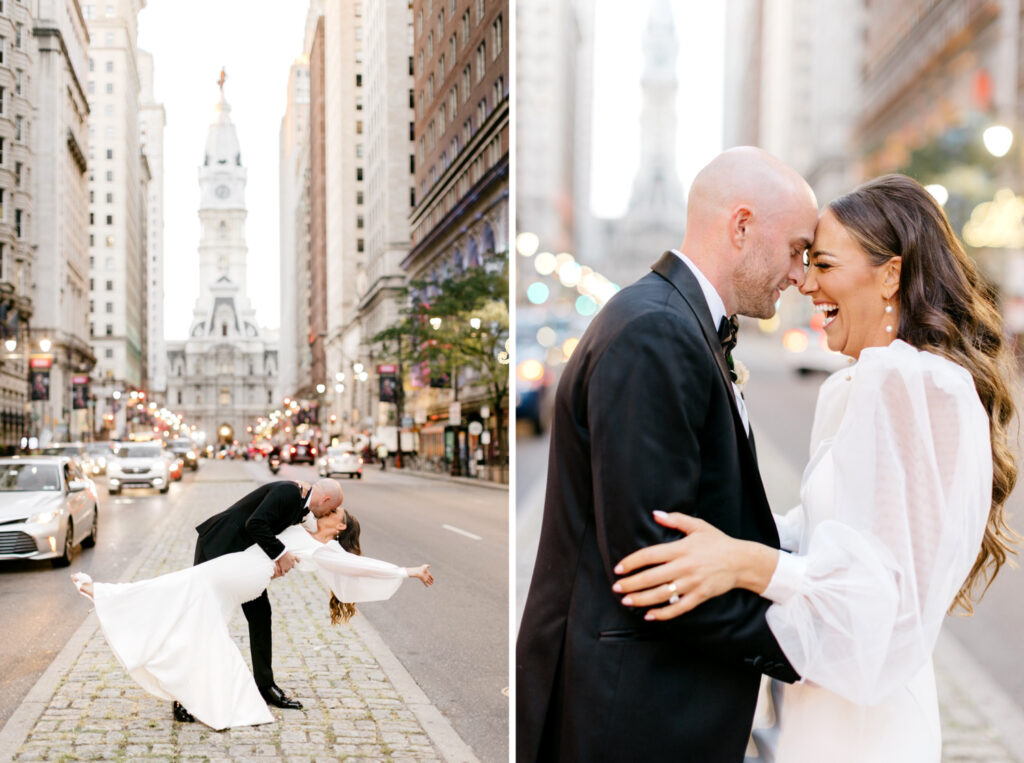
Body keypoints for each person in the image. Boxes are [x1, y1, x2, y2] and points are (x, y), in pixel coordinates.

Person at [613, 174, 1018, 761]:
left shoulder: (917, 384)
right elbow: (826, 534)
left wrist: (746, 562)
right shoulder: (856, 385)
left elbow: (884, 603)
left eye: (823, 264)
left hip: (864, 725)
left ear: (891, 274)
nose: (804, 282)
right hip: (814, 706)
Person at [516, 147, 819, 761]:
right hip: (632, 713)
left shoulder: (675, 321)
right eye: (795, 249)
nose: (800, 275)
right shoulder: (656, 331)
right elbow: (655, 563)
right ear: (741, 227)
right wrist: (802, 641)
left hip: (652, 701)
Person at [71, 507, 434, 730]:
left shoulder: (325, 550)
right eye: (332, 508)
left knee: (184, 602)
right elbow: (304, 501)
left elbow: (360, 566)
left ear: (339, 527)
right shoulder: (302, 525)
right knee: (179, 596)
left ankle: (105, 596)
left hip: (243, 578)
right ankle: (104, 595)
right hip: (235, 570)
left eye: (337, 513)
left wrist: (408, 571)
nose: (331, 511)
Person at [183, 478, 341, 721]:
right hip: (218, 547)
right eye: (330, 510)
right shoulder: (288, 492)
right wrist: (280, 554)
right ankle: (183, 697)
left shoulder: (301, 503)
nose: (326, 515)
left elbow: (285, 530)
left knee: (260, 616)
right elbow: (255, 523)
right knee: (206, 621)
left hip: (242, 561)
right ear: (326, 500)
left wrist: (275, 560)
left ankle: (265, 687)